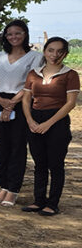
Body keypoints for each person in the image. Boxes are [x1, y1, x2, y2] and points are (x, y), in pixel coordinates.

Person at [0, 19, 42, 207]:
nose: (13, 37)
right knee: (2, 146)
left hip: (21, 102)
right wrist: (1, 102)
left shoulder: (34, 57)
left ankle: (13, 189)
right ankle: (3, 185)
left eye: (18, 33)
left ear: (25, 34)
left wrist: (11, 104)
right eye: (9, 34)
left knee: (18, 146)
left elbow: (31, 83)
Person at [21, 37, 78, 216]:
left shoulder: (70, 74)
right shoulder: (34, 73)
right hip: (35, 120)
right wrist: (30, 120)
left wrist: (48, 123)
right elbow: (26, 98)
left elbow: (70, 104)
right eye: (51, 50)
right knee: (39, 164)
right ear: (44, 51)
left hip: (57, 121)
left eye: (60, 51)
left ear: (65, 53)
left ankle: (52, 203)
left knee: (55, 164)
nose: (55, 55)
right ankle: (39, 200)